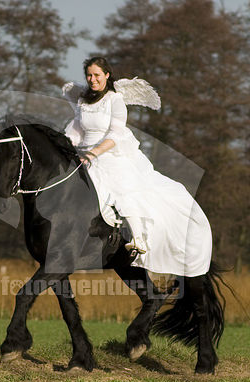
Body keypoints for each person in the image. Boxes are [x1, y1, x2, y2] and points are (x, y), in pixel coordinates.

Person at [62, 56, 212, 277]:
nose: (92, 80)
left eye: (96, 75)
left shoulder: (115, 100)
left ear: (106, 75)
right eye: (89, 75)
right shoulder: (83, 101)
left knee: (120, 189)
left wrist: (94, 153)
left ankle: (137, 238)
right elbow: (75, 130)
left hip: (109, 153)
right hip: (84, 153)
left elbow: (115, 134)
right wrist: (63, 144)